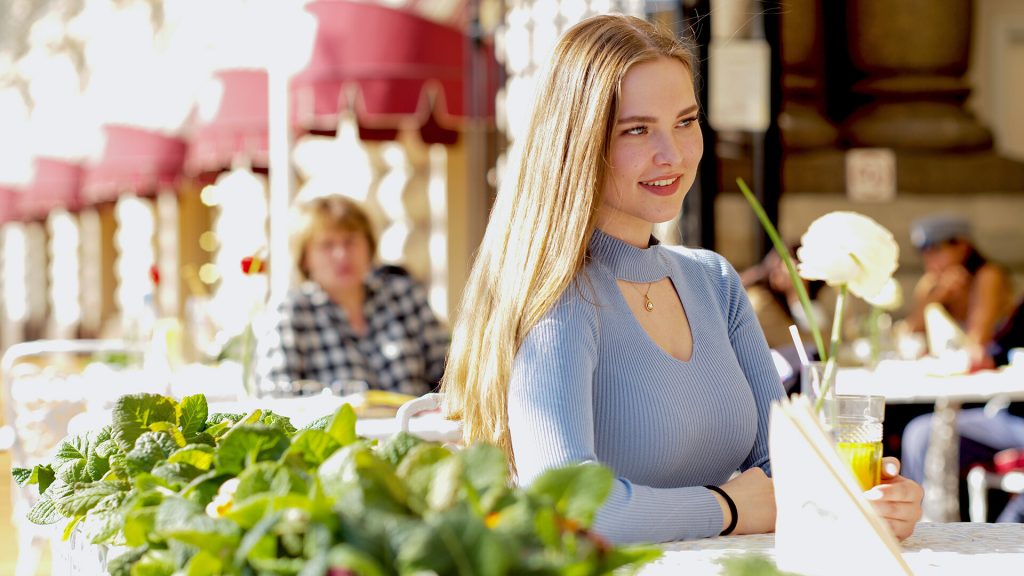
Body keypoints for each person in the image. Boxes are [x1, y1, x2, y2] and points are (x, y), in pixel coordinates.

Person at [440, 14, 922, 544]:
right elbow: (567, 507)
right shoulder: (560, 301)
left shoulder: (714, 282)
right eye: (637, 129)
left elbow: (784, 466)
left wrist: (864, 499)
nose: (673, 155)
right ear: (579, 144)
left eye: (686, 121)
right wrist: (725, 509)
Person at [255, 195, 449, 397]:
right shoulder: (291, 311)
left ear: (369, 246)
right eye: (327, 245)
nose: (342, 255)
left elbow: (447, 373)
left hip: (416, 426)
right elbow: (274, 393)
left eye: (350, 242)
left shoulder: (403, 295)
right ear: (305, 258)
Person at [904, 214, 1014, 371]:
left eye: (935, 249)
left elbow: (978, 339)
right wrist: (938, 296)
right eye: (923, 251)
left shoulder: (988, 276)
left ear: (962, 246)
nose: (928, 258)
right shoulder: (930, 284)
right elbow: (910, 334)